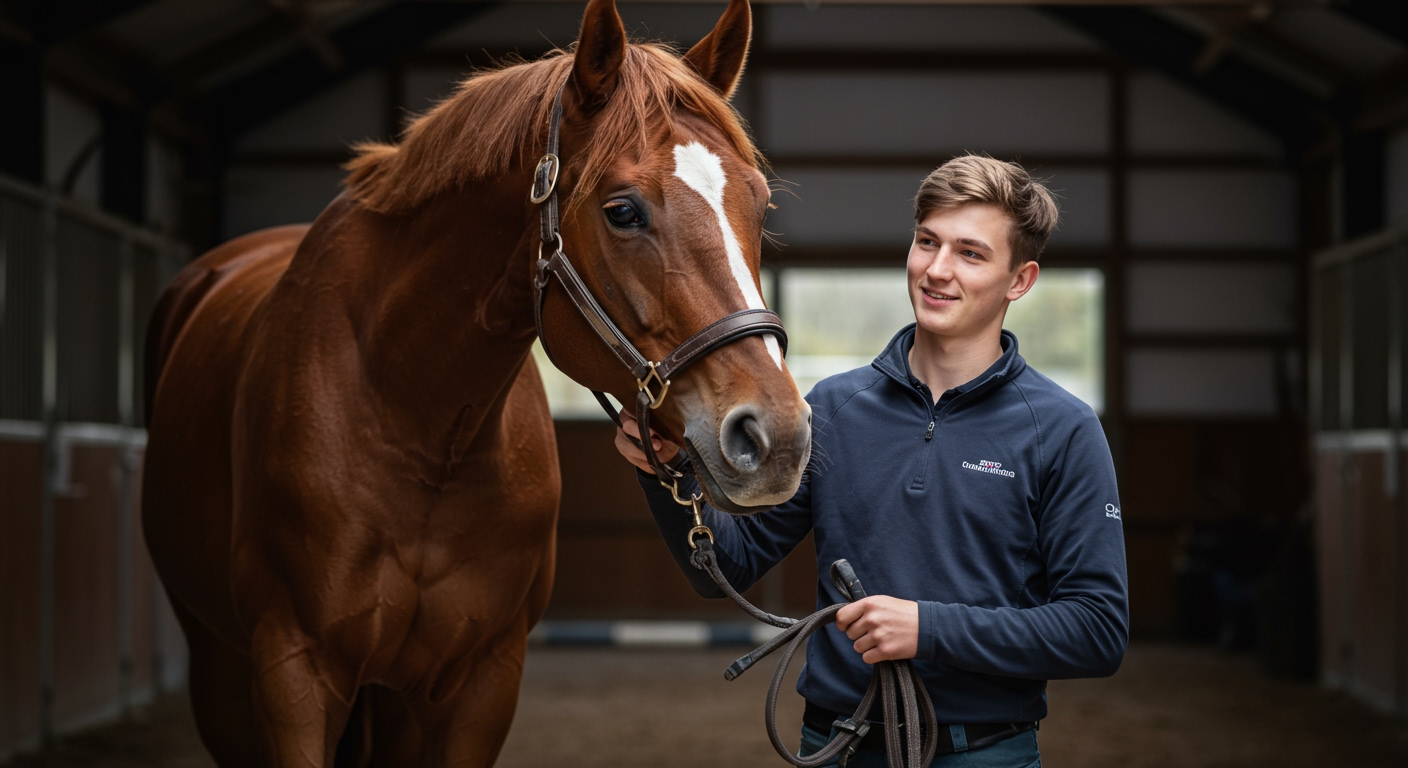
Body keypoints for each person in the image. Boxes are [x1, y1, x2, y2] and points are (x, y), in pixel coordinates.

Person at [615, 154, 1128, 767]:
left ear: (1020, 280)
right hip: (834, 746)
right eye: (927, 242)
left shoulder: (1063, 428)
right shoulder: (835, 408)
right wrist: (667, 472)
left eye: (970, 253)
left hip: (982, 753)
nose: (937, 269)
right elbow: (726, 566)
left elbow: (1097, 631)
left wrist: (927, 629)